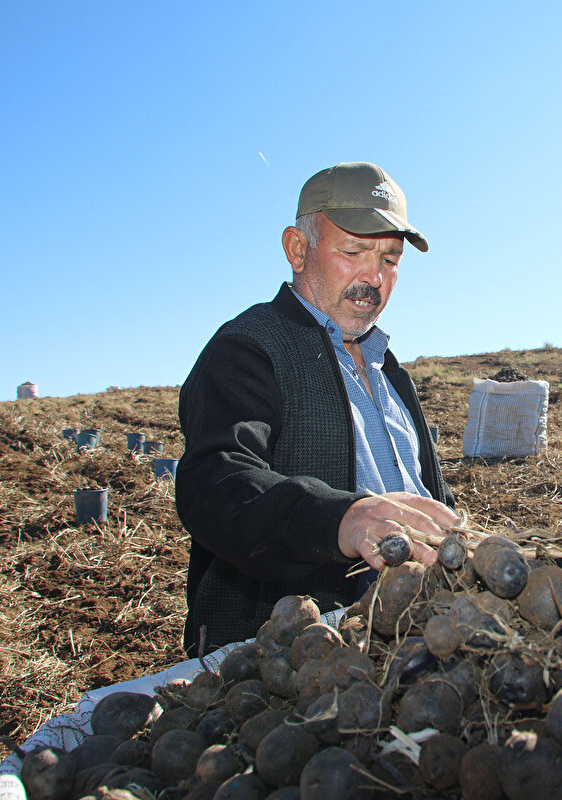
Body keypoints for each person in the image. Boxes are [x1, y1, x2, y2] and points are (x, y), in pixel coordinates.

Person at [177, 162, 458, 656]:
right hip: (286, 660)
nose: (374, 276)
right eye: (353, 251)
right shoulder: (249, 348)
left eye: (390, 260)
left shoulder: (390, 373)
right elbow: (214, 483)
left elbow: (429, 495)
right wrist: (340, 518)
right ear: (297, 249)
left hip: (414, 641)